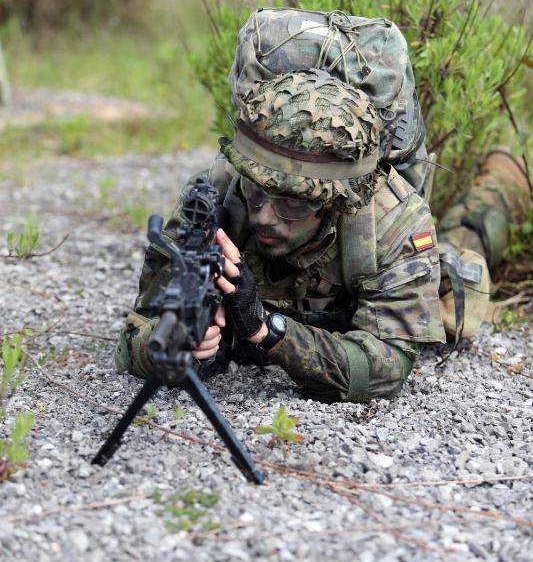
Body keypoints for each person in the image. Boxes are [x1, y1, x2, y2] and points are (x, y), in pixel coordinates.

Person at [115, 69, 530, 403]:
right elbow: (138, 327)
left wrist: (266, 330)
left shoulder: (391, 223)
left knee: (468, 247)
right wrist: (172, 343)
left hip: (392, 281)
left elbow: (384, 370)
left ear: (336, 203)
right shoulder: (214, 195)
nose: (265, 218)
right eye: (256, 193)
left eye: (294, 204)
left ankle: (506, 179)